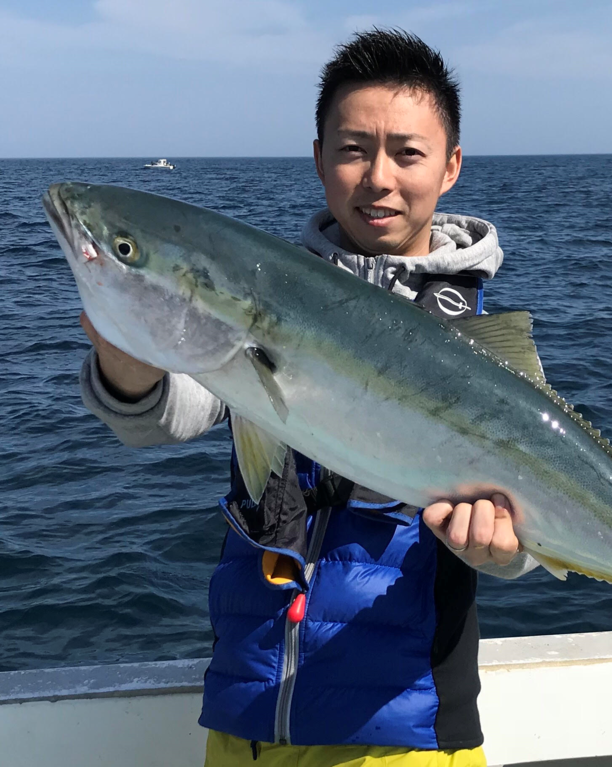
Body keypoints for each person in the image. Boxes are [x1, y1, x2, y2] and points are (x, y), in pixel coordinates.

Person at [80, 29, 538, 767]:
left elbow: (527, 531)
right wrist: (126, 358)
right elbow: (177, 407)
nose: (378, 177)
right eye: (353, 149)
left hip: (403, 734)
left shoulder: (478, 344)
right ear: (319, 157)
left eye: (407, 153)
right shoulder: (260, 293)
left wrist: (506, 552)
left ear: (451, 166)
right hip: (247, 723)